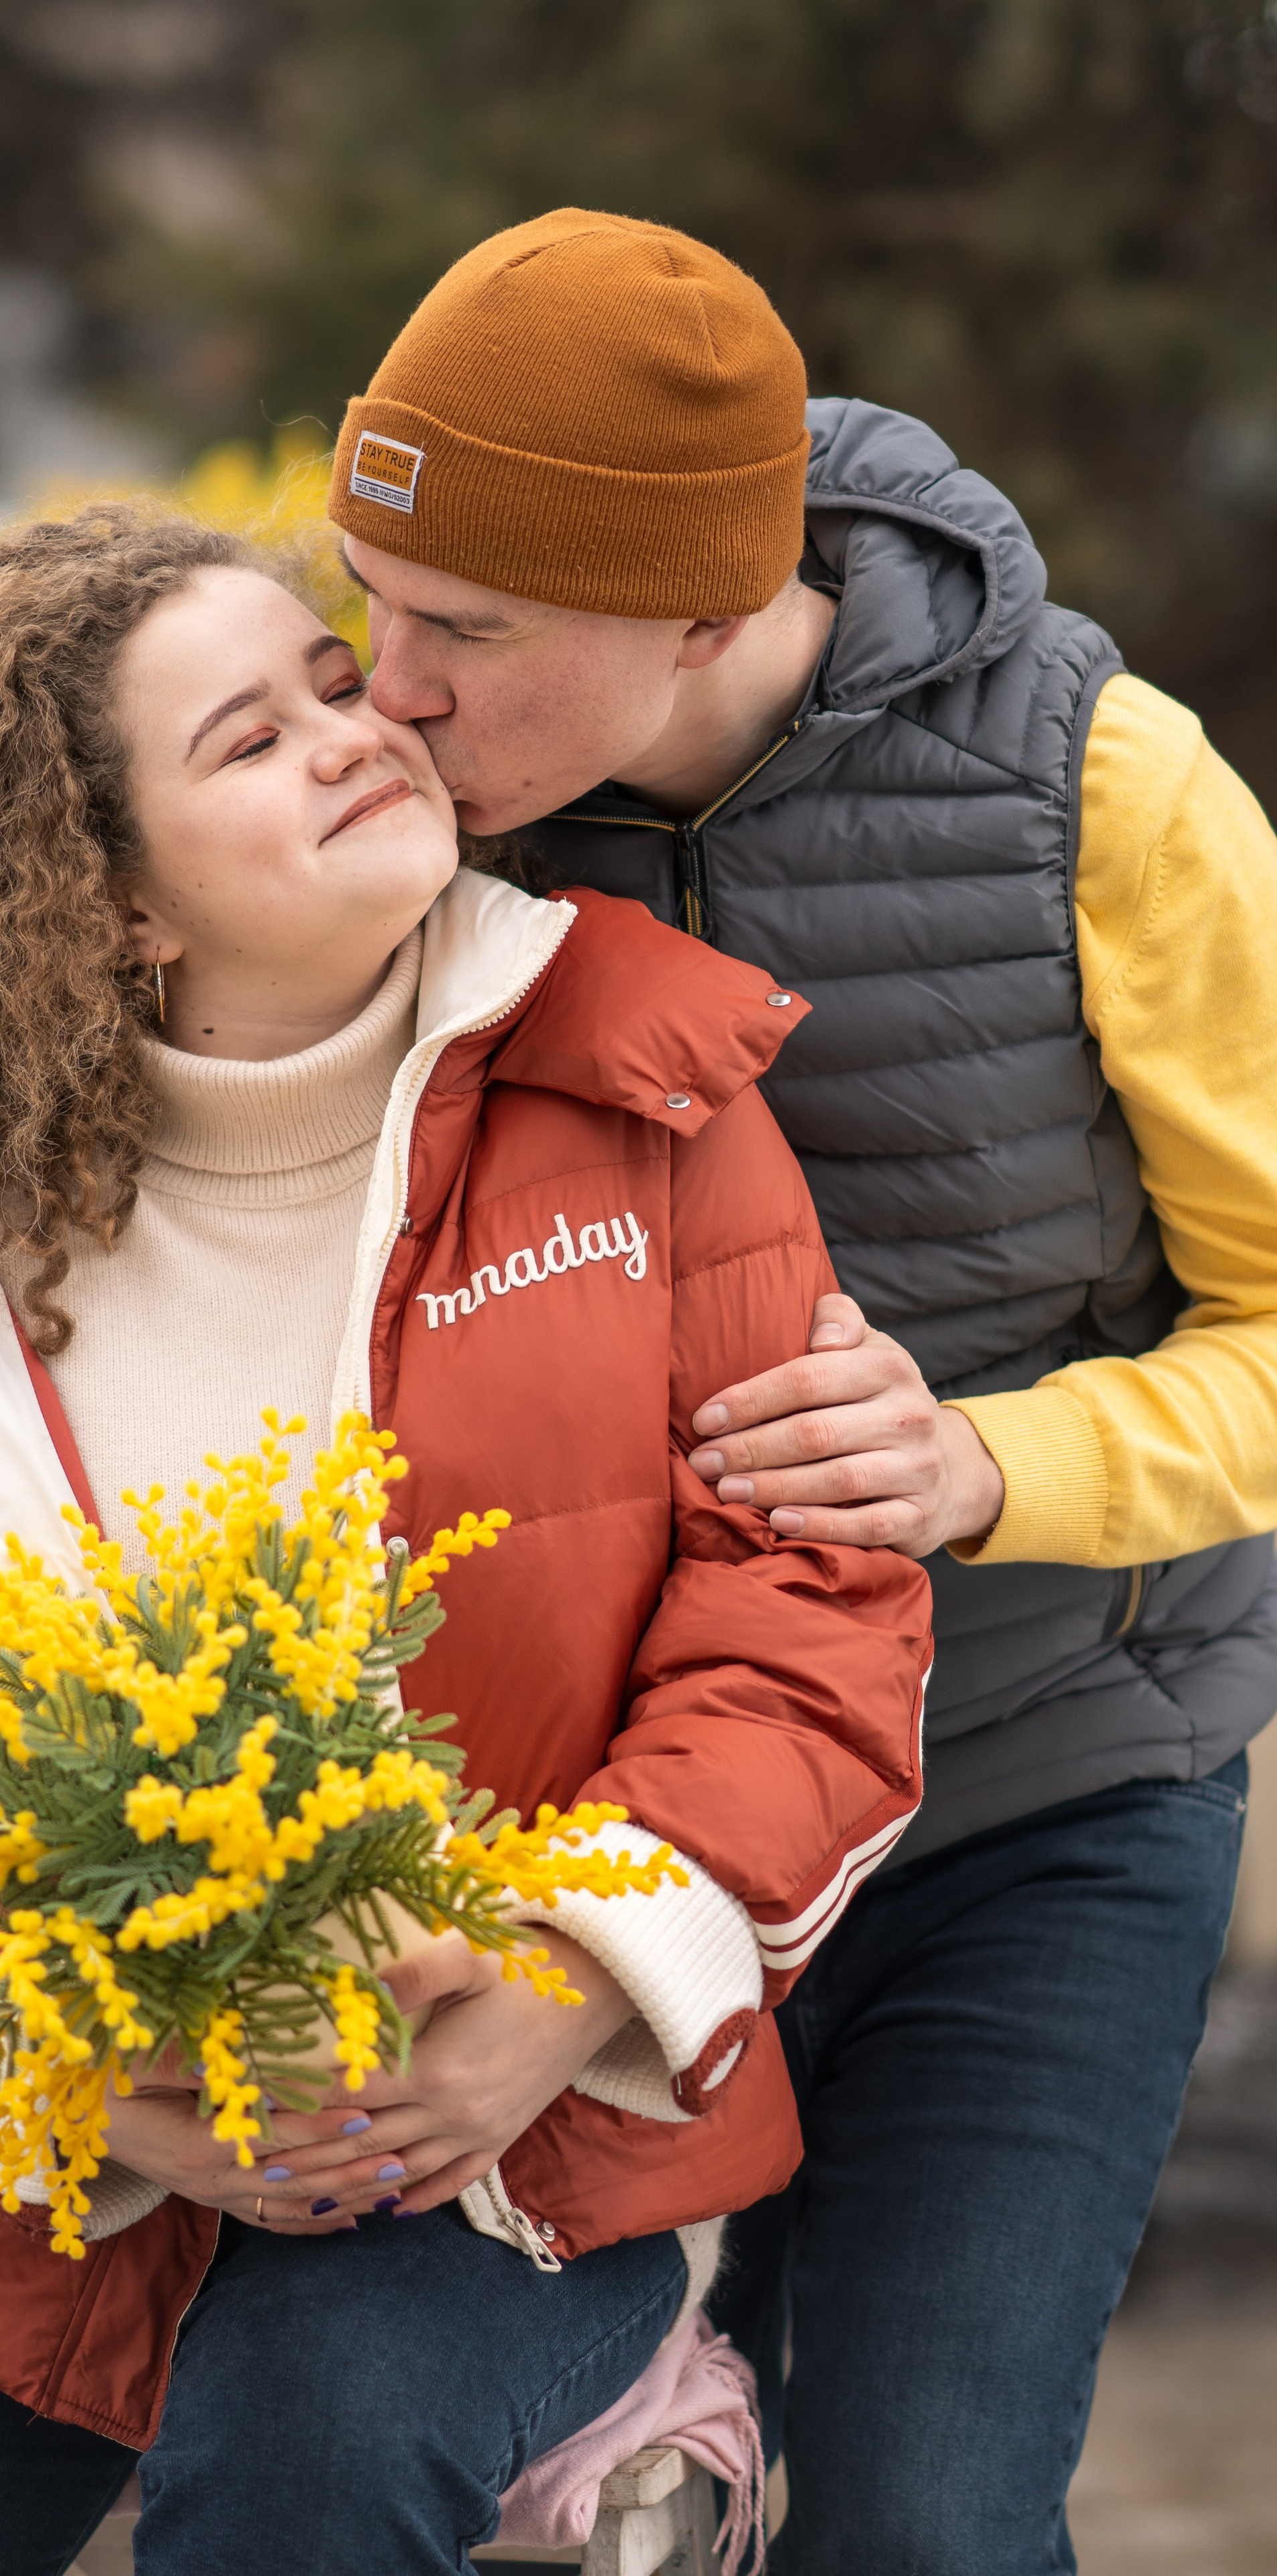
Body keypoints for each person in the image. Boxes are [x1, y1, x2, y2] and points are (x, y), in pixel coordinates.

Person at [0, 502, 930, 2576]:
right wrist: (65, 2080)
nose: (355, 730)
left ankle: (631, 2398)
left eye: (333, 685)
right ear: (112, 905)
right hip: (31, 2127)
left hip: (501, 2132)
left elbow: (809, 1617)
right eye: (245, 743)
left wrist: (566, 1978)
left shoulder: (640, 1073)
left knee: (302, 2470)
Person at [325, 207, 1277, 2572]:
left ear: (704, 615)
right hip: (580, 1837)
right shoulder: (397, 819)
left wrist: (991, 1464)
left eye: (462, 631)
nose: (387, 686)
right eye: (367, 596)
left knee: (919, 2521)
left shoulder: (1111, 793)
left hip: (1034, 1796)